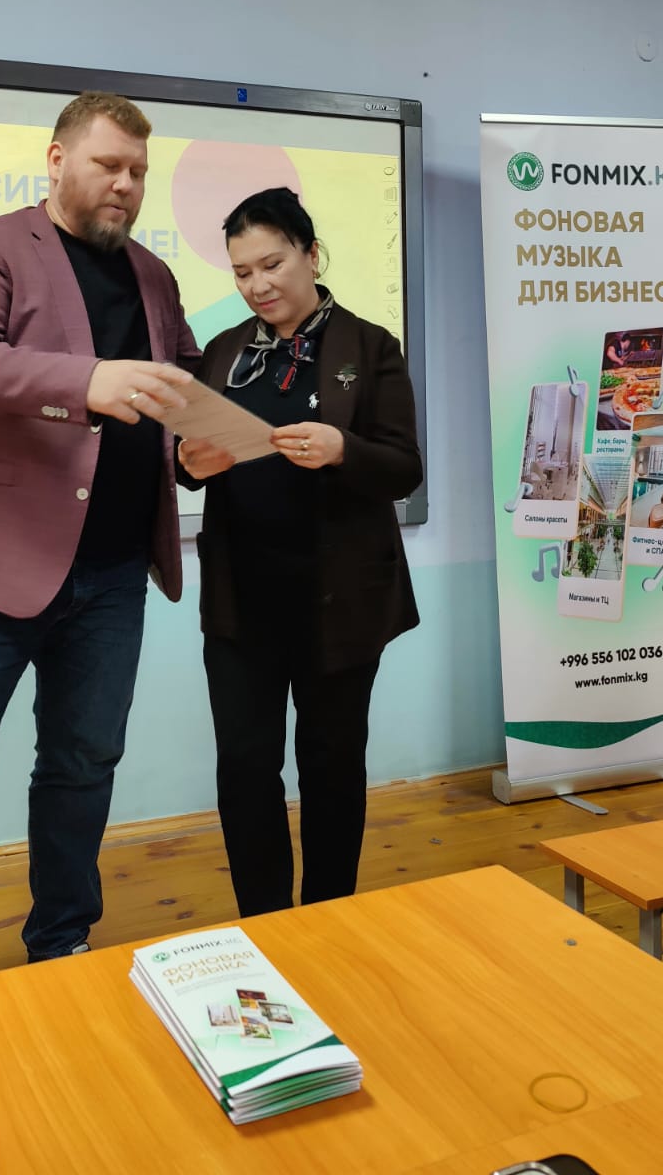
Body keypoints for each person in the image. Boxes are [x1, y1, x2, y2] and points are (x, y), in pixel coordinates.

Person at [0, 92, 199, 991]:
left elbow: (183, 388)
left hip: (114, 572)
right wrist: (87, 381)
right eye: (108, 165)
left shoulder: (154, 276)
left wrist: (201, 449)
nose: (125, 184)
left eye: (138, 172)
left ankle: (60, 946)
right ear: (56, 160)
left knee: (83, 766)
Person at [177, 187, 421, 918]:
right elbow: (186, 459)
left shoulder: (369, 347)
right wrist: (189, 464)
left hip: (337, 601)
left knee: (331, 767)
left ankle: (328, 918)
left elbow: (404, 468)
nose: (258, 284)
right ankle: (264, 922)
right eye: (241, 272)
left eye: (272, 264)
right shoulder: (223, 352)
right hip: (241, 602)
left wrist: (344, 449)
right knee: (244, 768)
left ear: (311, 255)